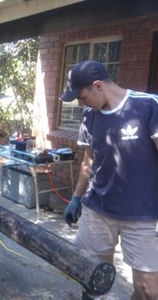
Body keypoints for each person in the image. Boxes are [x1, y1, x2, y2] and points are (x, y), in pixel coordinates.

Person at [60, 60, 158, 300]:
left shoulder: (148, 106)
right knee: (93, 277)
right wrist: (75, 198)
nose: (80, 103)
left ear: (97, 86)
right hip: (97, 211)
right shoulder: (89, 116)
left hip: (141, 214)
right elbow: (88, 162)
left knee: (149, 291)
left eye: (82, 97)